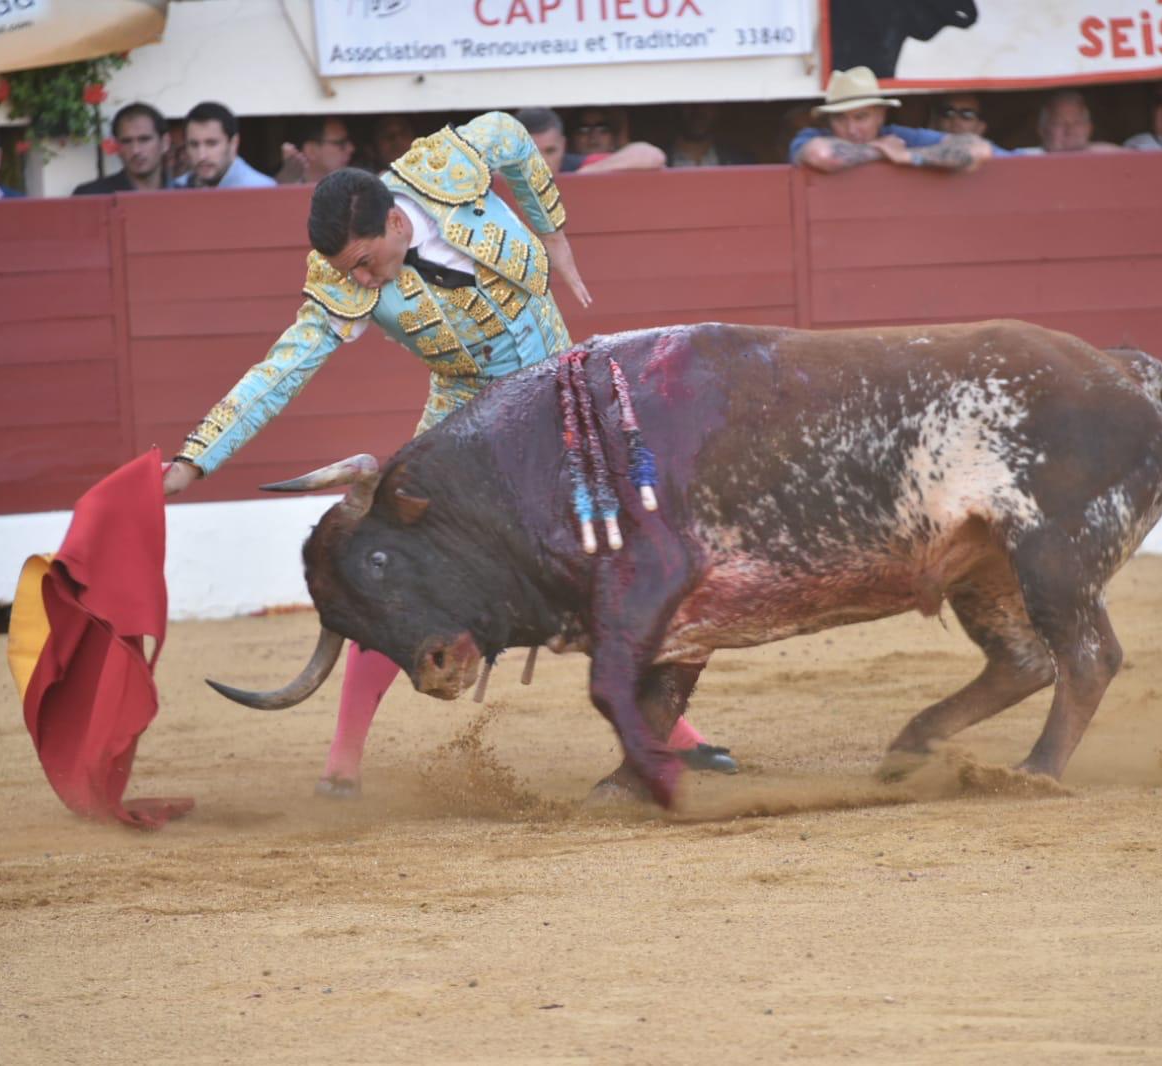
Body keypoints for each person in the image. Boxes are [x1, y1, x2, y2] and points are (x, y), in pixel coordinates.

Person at [161, 112, 737, 795]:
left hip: (561, 392)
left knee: (616, 558)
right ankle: (341, 765)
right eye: (350, 272)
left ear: (398, 225)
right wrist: (196, 458)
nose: (363, 283)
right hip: (464, 417)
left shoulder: (445, 166)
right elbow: (278, 371)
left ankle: (670, 733)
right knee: (395, 569)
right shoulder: (342, 279)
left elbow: (511, 136)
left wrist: (554, 234)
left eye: (367, 263)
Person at [790, 66, 991, 173]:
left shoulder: (898, 136)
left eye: (861, 117)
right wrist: (883, 151)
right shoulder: (814, 137)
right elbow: (822, 154)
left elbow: (976, 149)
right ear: (828, 121)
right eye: (840, 119)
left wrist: (908, 156)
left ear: (880, 116)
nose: (851, 129)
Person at [516, 106, 666, 175]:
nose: (542, 162)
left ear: (563, 145)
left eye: (550, 151)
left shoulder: (576, 165)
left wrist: (587, 173)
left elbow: (652, 156)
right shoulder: (497, 172)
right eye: (531, 152)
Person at [171, 101, 276, 189]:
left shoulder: (260, 189)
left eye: (211, 144)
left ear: (234, 143)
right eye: (194, 145)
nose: (201, 156)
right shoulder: (177, 187)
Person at [74, 103, 171, 195]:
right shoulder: (91, 196)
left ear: (165, 143)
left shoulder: (183, 193)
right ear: (116, 145)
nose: (135, 150)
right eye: (126, 141)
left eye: (144, 139)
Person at [1026, 90, 1122, 154]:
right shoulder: (1025, 158)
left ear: (1089, 128)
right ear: (1041, 130)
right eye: (1059, 123)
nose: (1070, 131)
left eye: (1077, 123)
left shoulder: (1108, 156)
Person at [666, 102, 755, 168]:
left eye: (705, 104)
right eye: (689, 103)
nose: (697, 110)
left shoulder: (741, 162)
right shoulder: (656, 162)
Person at [276, 115, 356, 184]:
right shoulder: (271, 188)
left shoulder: (357, 188)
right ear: (311, 151)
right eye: (341, 143)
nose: (351, 148)